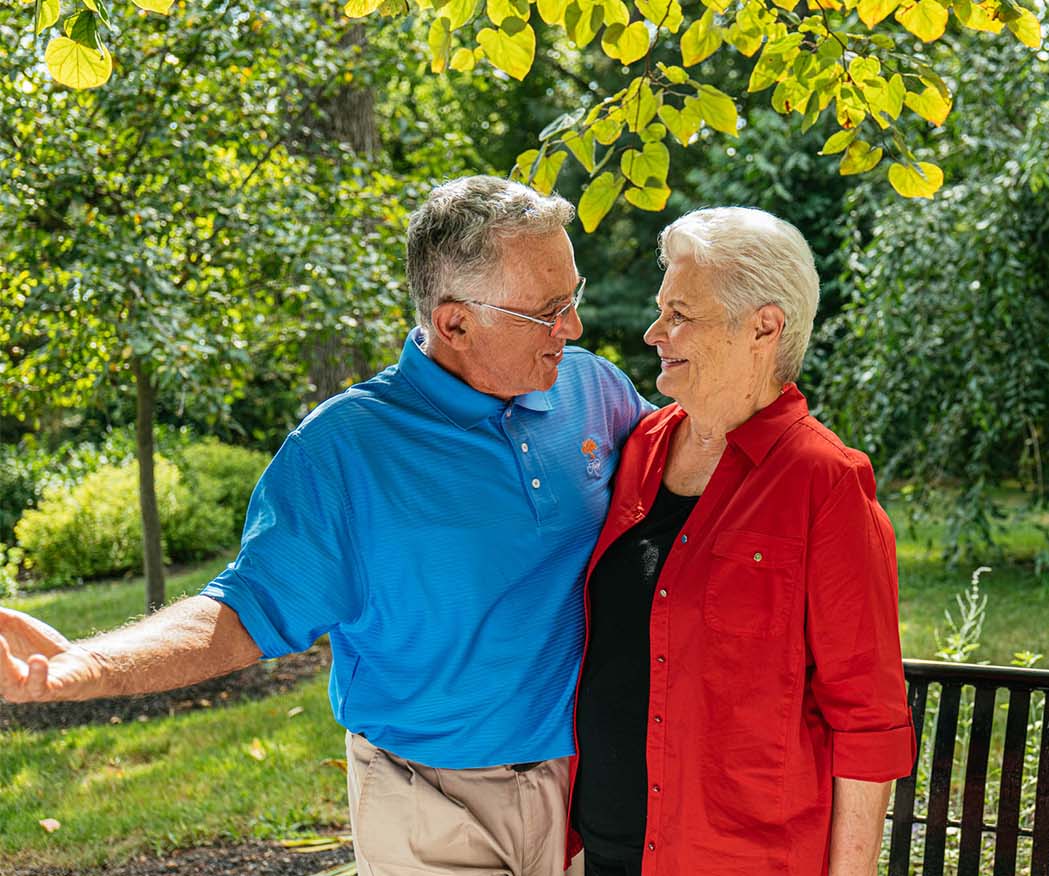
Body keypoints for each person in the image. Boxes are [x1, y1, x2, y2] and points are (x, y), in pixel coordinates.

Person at [0, 176, 652, 876]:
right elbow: (241, 613)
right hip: (430, 803)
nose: (573, 328)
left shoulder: (596, 391)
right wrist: (75, 668)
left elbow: (688, 506)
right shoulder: (343, 451)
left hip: (594, 780)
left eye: (572, 298)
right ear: (454, 321)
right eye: (546, 312)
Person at [569, 207, 915, 876]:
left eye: (681, 314)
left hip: (741, 858)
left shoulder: (825, 482)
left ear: (764, 325)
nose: (654, 332)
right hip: (608, 849)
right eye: (661, 309)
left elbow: (867, 718)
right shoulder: (640, 447)